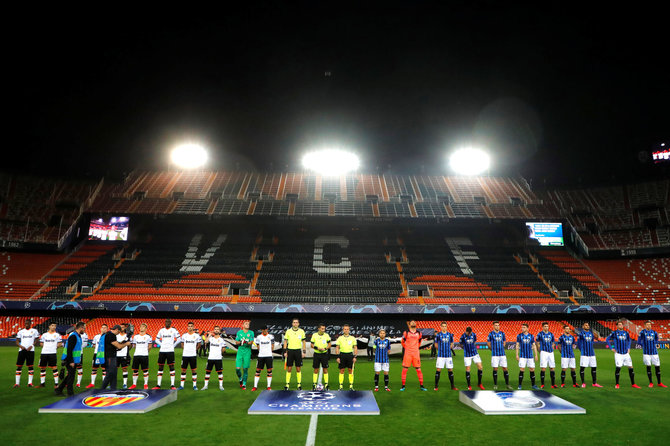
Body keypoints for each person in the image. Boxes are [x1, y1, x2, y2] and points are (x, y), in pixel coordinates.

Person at [606, 320, 640, 389]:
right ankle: (617, 384)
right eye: (619, 324)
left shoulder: (626, 333)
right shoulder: (614, 333)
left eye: (622, 324)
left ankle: (633, 384)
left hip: (626, 353)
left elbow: (629, 340)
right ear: (617, 326)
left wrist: (628, 347)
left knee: (631, 367)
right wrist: (611, 348)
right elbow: (607, 339)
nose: (621, 325)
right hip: (618, 354)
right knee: (618, 368)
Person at [55, 321, 86, 396]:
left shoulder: (77, 336)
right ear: (81, 328)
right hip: (70, 359)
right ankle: (70, 393)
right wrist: (71, 361)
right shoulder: (73, 336)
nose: (84, 330)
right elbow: (69, 349)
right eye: (84, 328)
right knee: (71, 377)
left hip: (73, 360)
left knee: (70, 376)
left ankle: (59, 389)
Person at [99, 325, 131, 390]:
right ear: (116, 329)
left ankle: (113, 388)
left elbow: (115, 345)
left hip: (109, 356)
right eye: (118, 332)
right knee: (110, 373)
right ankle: (102, 388)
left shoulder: (107, 334)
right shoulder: (111, 335)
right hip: (110, 357)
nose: (118, 333)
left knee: (114, 373)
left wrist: (123, 343)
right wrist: (126, 344)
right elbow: (118, 346)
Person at [153, 319, 180, 390]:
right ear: (164, 323)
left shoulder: (174, 330)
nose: (167, 323)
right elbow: (156, 339)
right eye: (166, 322)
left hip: (170, 351)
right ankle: (158, 385)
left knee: (171, 367)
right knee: (160, 367)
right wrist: (162, 345)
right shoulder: (161, 330)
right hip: (162, 351)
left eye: (169, 322)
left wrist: (173, 345)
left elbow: (179, 339)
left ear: (171, 323)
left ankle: (172, 385)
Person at [638, 320, 666, 388]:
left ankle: (659, 382)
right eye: (647, 324)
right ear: (645, 325)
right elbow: (639, 341)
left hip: (654, 352)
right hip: (646, 353)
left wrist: (655, 343)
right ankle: (651, 382)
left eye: (650, 324)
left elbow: (657, 339)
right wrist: (644, 345)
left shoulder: (654, 332)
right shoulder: (642, 332)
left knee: (657, 367)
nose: (649, 326)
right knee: (648, 367)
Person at [400, 320, 427, 391]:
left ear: (416, 324)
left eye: (414, 322)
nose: (413, 323)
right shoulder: (406, 332)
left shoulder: (419, 333)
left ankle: (422, 386)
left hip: (416, 354)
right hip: (408, 353)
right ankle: (403, 386)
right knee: (405, 369)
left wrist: (416, 348)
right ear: (409, 324)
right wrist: (407, 348)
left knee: (418, 369)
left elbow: (420, 341)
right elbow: (402, 341)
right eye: (412, 322)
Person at [15, 319, 40, 388]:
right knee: (19, 366)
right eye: (25, 323)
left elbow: (37, 339)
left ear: (30, 323)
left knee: (30, 366)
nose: (26, 324)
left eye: (28, 323)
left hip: (30, 351)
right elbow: (17, 341)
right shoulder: (21, 331)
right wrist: (20, 346)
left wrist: (32, 345)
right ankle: (17, 383)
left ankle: (30, 383)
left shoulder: (34, 331)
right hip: (22, 350)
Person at [487, 321, 511, 390]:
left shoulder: (502, 333)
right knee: (495, 369)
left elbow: (504, 341)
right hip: (495, 355)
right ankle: (495, 384)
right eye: (496, 325)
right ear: (493, 326)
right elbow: (488, 343)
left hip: (502, 354)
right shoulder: (491, 334)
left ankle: (507, 384)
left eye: (498, 325)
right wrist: (492, 350)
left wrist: (502, 346)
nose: (497, 326)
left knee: (505, 368)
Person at [283, 318, 306, 390]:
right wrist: (284, 351)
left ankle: (299, 385)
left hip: (298, 351)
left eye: (296, 322)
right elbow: (285, 342)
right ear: (292, 324)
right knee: (289, 368)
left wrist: (304, 351)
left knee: (298, 368)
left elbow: (304, 342)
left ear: (298, 324)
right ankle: (287, 385)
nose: (295, 324)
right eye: (294, 322)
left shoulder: (301, 331)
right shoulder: (288, 331)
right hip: (290, 351)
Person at [577, 322, 602, 388]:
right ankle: (583, 383)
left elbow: (592, 342)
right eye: (586, 325)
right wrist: (582, 350)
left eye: (588, 325)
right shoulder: (581, 334)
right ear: (583, 326)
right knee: (583, 368)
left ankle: (594, 383)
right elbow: (578, 343)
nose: (587, 326)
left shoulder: (591, 334)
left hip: (592, 353)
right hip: (584, 354)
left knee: (594, 367)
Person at [434, 322, 457, 391]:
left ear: (447, 327)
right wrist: (440, 350)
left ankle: (452, 386)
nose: (444, 327)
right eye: (443, 326)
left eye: (445, 326)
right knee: (438, 370)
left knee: (450, 370)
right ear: (440, 327)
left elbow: (452, 343)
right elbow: (436, 344)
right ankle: (436, 386)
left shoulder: (449, 335)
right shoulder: (438, 335)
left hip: (448, 356)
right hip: (440, 356)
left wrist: (448, 348)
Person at [38, 323, 62, 388]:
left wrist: (53, 347)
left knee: (54, 368)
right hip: (44, 353)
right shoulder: (44, 335)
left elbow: (60, 344)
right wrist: (47, 347)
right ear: (49, 326)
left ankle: (56, 384)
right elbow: (41, 343)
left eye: (55, 326)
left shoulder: (57, 335)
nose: (53, 327)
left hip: (53, 353)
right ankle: (42, 383)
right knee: (42, 367)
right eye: (52, 325)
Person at [460, 326, 484, 390]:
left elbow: (475, 341)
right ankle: (469, 385)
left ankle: (479, 383)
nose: (470, 334)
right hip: (467, 355)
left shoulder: (474, 334)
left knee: (480, 367)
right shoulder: (463, 336)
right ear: (466, 331)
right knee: (468, 369)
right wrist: (465, 348)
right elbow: (460, 344)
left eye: (470, 333)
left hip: (475, 353)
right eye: (469, 333)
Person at [129, 323, 152, 390]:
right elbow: (134, 346)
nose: (141, 328)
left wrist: (145, 352)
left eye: (143, 327)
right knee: (135, 370)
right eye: (141, 326)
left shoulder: (148, 337)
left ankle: (145, 384)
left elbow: (150, 346)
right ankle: (134, 384)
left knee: (145, 371)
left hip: (144, 355)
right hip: (136, 355)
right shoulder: (136, 337)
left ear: (146, 328)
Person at [203, 326, 226, 391]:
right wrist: (209, 335)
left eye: (217, 329)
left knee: (220, 372)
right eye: (215, 329)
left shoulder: (221, 340)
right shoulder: (211, 338)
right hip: (210, 358)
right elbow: (206, 342)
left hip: (218, 358)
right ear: (213, 330)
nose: (216, 330)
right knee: (208, 372)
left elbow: (223, 349)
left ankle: (221, 386)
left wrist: (219, 353)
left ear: (219, 331)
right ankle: (205, 386)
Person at [516, 323, 539, 390]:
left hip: (530, 356)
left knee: (532, 369)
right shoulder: (519, 336)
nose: (522, 328)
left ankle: (533, 385)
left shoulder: (531, 336)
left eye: (524, 327)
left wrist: (536, 355)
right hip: (522, 356)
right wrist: (517, 354)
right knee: (522, 369)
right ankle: (520, 385)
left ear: (527, 328)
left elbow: (534, 345)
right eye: (522, 327)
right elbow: (517, 345)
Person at [252, 325, 275, 391]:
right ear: (261, 330)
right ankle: (255, 386)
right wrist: (261, 351)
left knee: (269, 371)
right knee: (257, 371)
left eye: (265, 329)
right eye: (263, 329)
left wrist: (269, 352)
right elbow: (258, 346)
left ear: (267, 329)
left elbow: (272, 345)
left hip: (269, 356)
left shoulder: (271, 336)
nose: (264, 330)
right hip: (261, 356)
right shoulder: (259, 337)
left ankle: (268, 386)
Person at [179, 321, 201, 390]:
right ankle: (181, 385)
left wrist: (195, 350)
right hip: (185, 355)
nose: (190, 327)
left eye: (192, 326)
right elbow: (182, 344)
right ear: (187, 327)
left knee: (193, 370)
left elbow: (199, 344)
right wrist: (185, 349)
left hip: (193, 355)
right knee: (183, 370)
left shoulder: (197, 336)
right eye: (189, 326)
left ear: (193, 327)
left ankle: (194, 385)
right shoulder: (184, 335)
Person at [335, 324, 357, 390]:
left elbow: (355, 348)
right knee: (342, 370)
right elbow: (337, 348)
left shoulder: (352, 338)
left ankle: (351, 386)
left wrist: (355, 357)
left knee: (350, 370)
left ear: (349, 330)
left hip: (350, 355)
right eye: (345, 329)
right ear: (343, 330)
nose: (346, 330)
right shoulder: (340, 338)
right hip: (342, 355)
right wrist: (338, 357)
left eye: (347, 329)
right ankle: (341, 386)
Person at [310, 323, 332, 390]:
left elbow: (329, 344)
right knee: (316, 369)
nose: (323, 330)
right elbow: (311, 345)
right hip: (317, 354)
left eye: (324, 329)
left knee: (325, 369)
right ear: (319, 328)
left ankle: (326, 384)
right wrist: (317, 348)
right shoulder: (314, 335)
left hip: (324, 354)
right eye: (322, 328)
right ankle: (314, 384)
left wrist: (325, 348)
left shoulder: (326, 335)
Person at [536, 322, 558, 389]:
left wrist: (552, 347)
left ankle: (553, 384)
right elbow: (537, 343)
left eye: (547, 326)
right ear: (542, 327)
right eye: (545, 326)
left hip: (551, 352)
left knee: (552, 367)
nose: (546, 327)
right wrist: (540, 351)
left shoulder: (551, 334)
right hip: (544, 352)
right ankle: (542, 384)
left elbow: (553, 342)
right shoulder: (540, 334)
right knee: (543, 368)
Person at [235, 321, 255, 389]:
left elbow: (251, 342)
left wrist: (245, 341)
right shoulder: (239, 332)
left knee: (245, 369)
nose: (248, 325)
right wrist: (240, 342)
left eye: (248, 324)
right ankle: (240, 379)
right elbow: (236, 342)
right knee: (237, 369)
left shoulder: (251, 332)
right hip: (240, 352)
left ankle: (244, 384)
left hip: (247, 352)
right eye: (246, 324)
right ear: (242, 325)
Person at [87, 324, 108, 388]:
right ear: (100, 329)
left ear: (107, 329)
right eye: (102, 327)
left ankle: (104, 383)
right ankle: (92, 383)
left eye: (105, 328)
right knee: (94, 368)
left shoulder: (107, 336)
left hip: (104, 354)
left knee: (104, 369)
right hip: (96, 354)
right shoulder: (96, 336)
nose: (103, 329)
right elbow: (93, 345)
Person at [116, 324, 131, 389]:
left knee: (124, 369)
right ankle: (113, 383)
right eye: (121, 327)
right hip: (116, 354)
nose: (122, 328)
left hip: (124, 354)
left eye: (123, 327)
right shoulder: (116, 336)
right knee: (115, 369)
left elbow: (130, 346)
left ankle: (125, 383)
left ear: (125, 328)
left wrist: (128, 346)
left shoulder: (127, 336)